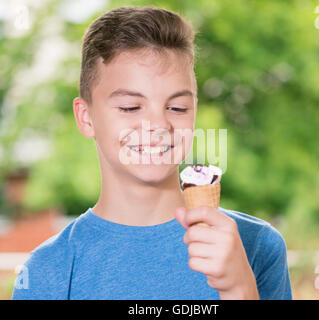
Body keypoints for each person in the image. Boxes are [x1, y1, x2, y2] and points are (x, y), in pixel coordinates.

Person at [12, 6, 292, 300]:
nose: (158, 125)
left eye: (177, 107)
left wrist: (240, 290)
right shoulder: (47, 272)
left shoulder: (256, 246)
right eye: (131, 107)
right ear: (86, 117)